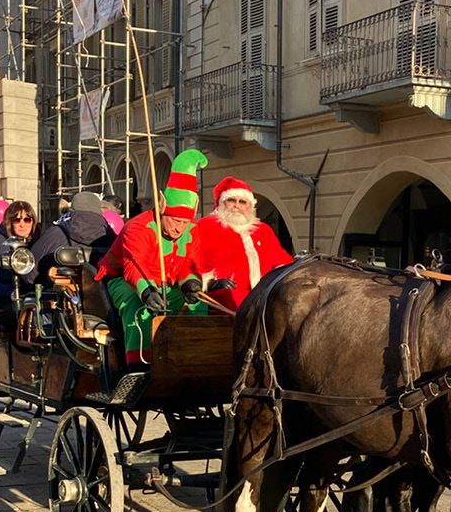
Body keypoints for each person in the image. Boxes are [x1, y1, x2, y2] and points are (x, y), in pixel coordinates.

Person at [95, 150, 207, 369]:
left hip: (167, 282)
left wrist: (191, 284)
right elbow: (132, 267)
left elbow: (189, 264)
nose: (179, 228)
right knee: (138, 306)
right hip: (124, 280)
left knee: (198, 303)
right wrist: (146, 292)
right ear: (162, 209)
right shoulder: (137, 227)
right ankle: (139, 366)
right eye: (175, 220)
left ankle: (194, 357)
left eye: (184, 222)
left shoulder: (192, 230)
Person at [187, 176, 293, 311]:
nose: (237, 206)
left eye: (242, 202)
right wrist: (208, 283)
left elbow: (281, 263)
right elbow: (187, 263)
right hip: (221, 306)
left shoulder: (263, 230)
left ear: (250, 206)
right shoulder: (204, 226)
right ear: (221, 202)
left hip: (262, 306)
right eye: (231, 200)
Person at [30, 191, 116, 280]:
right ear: (99, 211)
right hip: (104, 287)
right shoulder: (113, 237)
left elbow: (30, 271)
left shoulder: (54, 233)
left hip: (58, 287)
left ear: (71, 210)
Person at [0, 200, 40, 303]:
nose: (22, 224)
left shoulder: (38, 242)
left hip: (35, 296)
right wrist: (9, 293)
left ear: (33, 222)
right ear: (9, 222)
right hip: (5, 300)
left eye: (27, 220)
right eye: (17, 220)